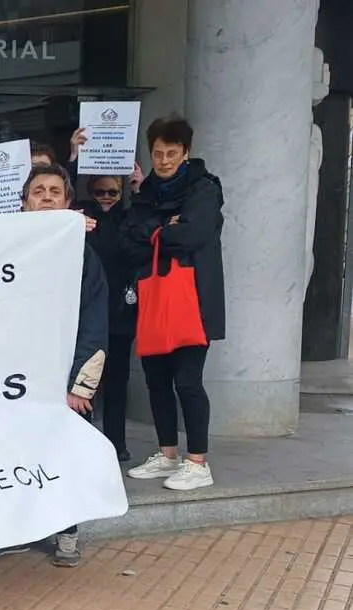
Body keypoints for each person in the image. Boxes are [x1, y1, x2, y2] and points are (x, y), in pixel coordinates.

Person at [0, 164, 109, 567]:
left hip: (61, 378)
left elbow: (94, 321)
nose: (47, 197)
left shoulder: (84, 256)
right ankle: (13, 531)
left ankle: (67, 532)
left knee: (62, 454)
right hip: (13, 378)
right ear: (24, 203)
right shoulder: (2, 250)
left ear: (69, 203)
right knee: (9, 453)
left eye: (55, 191)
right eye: (38, 191)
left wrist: (80, 386)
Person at [122, 116, 226, 491]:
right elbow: (127, 239)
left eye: (171, 153)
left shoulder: (204, 188)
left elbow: (194, 234)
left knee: (187, 381)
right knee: (157, 381)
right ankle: (167, 454)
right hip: (153, 298)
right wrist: (167, 229)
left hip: (193, 300)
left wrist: (154, 233)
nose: (164, 160)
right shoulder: (146, 191)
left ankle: (197, 462)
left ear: (186, 152)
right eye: (158, 153)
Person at [78, 175, 136, 462]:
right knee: (83, 382)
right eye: (100, 192)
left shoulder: (128, 218)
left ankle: (117, 443)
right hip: (89, 313)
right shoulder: (81, 218)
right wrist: (75, 159)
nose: (106, 197)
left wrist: (139, 189)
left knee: (117, 382)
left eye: (112, 192)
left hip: (119, 313)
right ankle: (83, 442)